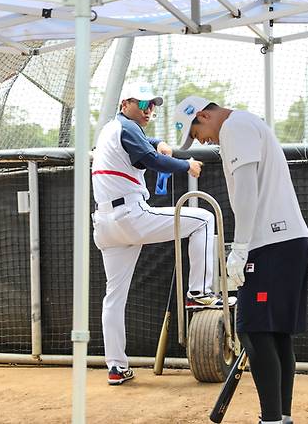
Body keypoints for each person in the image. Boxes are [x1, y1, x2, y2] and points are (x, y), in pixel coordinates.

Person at [174, 96, 308, 424]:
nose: (201, 141)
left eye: (197, 132)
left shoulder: (235, 127)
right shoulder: (247, 124)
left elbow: (247, 191)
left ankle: (272, 419)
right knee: (274, 334)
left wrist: (241, 248)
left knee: (253, 329)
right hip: (285, 241)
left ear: (204, 115)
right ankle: (280, 418)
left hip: (272, 243)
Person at [92, 82, 232, 386]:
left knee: (113, 299)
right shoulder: (126, 127)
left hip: (105, 224)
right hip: (130, 215)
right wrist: (186, 165)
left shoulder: (111, 128)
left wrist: (157, 142)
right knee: (205, 218)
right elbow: (151, 160)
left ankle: (116, 367)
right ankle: (198, 292)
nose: (149, 110)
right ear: (126, 103)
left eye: (152, 105)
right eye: (144, 105)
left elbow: (144, 146)